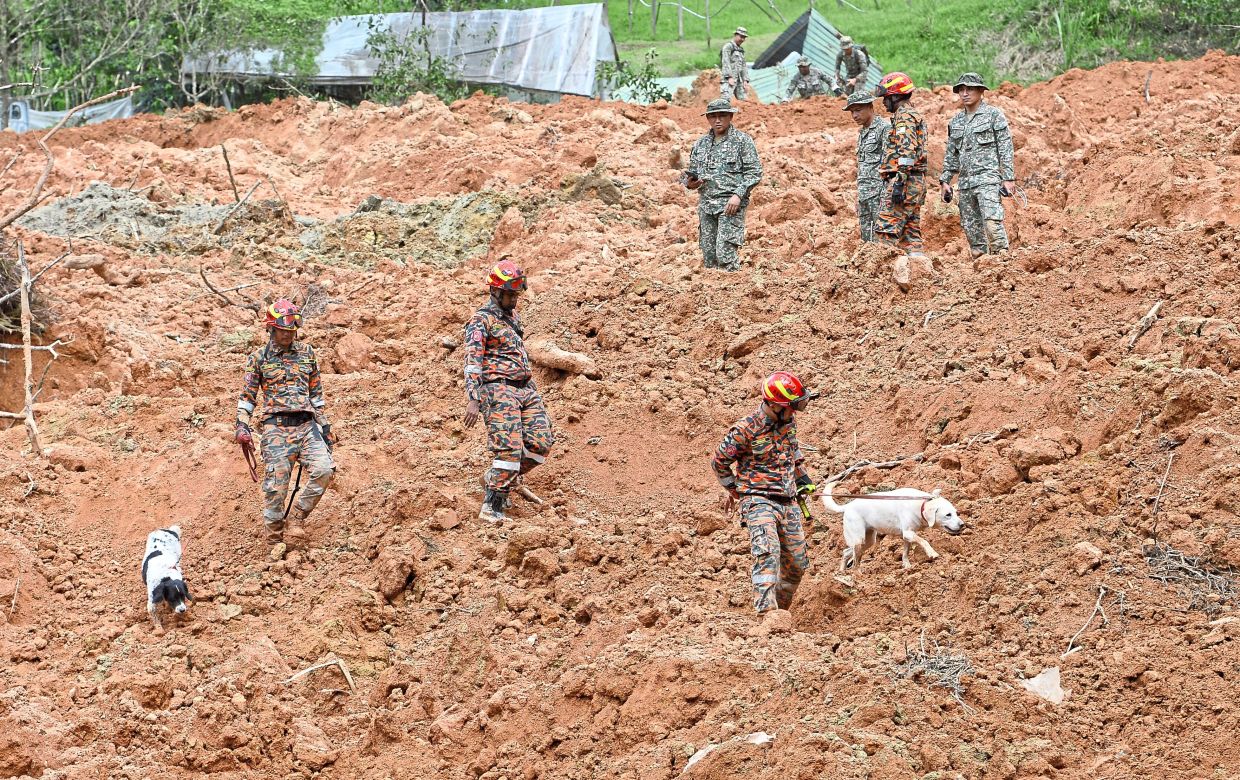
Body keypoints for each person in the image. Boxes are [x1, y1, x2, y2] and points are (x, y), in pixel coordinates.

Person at [712, 372, 818, 619]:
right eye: (790, 407)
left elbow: (793, 452)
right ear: (774, 405)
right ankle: (766, 615)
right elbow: (719, 462)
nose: (794, 412)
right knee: (768, 553)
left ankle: (779, 617)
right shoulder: (745, 429)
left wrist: (802, 478)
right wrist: (736, 490)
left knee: (797, 564)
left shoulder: (788, 423)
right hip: (758, 500)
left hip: (788, 501)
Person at [235, 299, 337, 545]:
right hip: (276, 428)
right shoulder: (258, 358)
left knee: (324, 470)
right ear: (271, 328)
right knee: (276, 489)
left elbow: (316, 397)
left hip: (306, 425)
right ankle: (274, 545)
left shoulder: (307, 353)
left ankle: (298, 517)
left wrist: (325, 427)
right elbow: (247, 398)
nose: (287, 335)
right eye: (282, 330)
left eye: (291, 330)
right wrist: (242, 425)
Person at [463, 258, 553, 524]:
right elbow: (472, 361)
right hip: (498, 390)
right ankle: (492, 506)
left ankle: (495, 477)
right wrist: (473, 398)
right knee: (509, 449)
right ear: (495, 291)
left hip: (525, 389)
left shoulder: (513, 318)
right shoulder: (481, 321)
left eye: (516, 294)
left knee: (540, 443)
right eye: (509, 295)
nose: (514, 299)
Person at [939, 72, 1016, 258]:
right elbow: (952, 154)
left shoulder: (993, 116)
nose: (965, 93)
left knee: (992, 222)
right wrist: (945, 181)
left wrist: (1008, 178)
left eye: (970, 89)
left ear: (981, 91)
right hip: (965, 184)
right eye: (961, 90)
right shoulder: (956, 122)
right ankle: (981, 266)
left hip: (988, 179)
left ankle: (1002, 261)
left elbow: (1005, 148)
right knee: (972, 230)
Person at [683, 98, 763, 272]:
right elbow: (691, 172)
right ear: (708, 118)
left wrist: (738, 195)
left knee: (725, 254)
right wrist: (690, 183)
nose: (717, 120)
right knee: (709, 257)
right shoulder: (700, 144)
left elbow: (754, 172)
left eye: (722, 116)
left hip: (730, 206)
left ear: (730, 116)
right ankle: (713, 288)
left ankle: (733, 286)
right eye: (713, 116)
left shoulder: (742, 141)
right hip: (707, 206)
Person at [873, 71, 929, 265]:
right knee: (910, 233)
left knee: (886, 229)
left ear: (896, 97)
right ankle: (919, 272)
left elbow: (907, 151)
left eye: (886, 98)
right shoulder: (911, 115)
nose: (883, 102)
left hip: (906, 181)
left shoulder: (904, 117)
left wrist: (899, 182)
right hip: (915, 181)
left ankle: (880, 273)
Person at [844, 89, 890, 242]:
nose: (854, 115)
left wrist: (886, 196)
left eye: (858, 110)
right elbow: (864, 167)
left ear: (870, 107)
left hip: (879, 195)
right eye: (852, 112)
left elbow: (890, 164)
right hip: (865, 195)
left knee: (883, 240)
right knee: (867, 240)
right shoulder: (863, 132)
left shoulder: (884, 128)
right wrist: (860, 196)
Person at [720, 27, 749, 101]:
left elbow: (743, 65)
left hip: (739, 80)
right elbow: (725, 61)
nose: (742, 39)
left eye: (744, 37)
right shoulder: (728, 47)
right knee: (725, 99)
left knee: (744, 100)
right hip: (729, 79)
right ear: (735, 35)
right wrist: (729, 77)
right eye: (741, 37)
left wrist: (745, 80)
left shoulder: (740, 50)